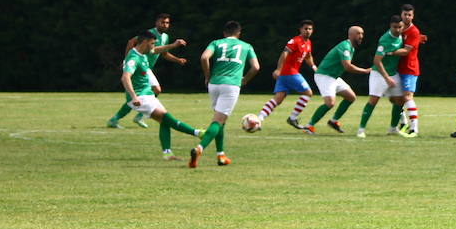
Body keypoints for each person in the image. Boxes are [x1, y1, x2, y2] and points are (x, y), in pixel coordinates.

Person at [121, 31, 201, 159]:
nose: (153, 47)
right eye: (152, 44)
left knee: (164, 122)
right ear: (145, 42)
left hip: (147, 94)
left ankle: (167, 153)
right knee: (166, 117)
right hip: (140, 97)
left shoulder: (142, 52)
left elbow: (157, 50)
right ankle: (198, 133)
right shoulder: (133, 58)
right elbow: (125, 77)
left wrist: (173, 45)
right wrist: (134, 96)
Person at [192, 20, 260, 167]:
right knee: (218, 121)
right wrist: (245, 80)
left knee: (220, 120)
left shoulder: (216, 43)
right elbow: (256, 67)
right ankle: (199, 148)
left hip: (214, 84)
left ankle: (220, 155)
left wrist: (207, 76)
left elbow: (204, 57)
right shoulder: (246, 46)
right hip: (231, 85)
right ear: (239, 33)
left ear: (224, 33)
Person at [107, 13, 187, 129]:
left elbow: (161, 53)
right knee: (155, 89)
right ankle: (136, 116)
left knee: (141, 95)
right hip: (140, 66)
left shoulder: (165, 37)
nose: (165, 25)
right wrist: (126, 61)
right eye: (162, 22)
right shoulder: (149, 34)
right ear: (156, 22)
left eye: (167, 22)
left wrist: (177, 60)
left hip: (146, 68)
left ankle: (119, 118)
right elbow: (131, 42)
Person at [253, 20, 317, 133]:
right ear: (300, 29)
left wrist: (313, 66)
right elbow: (285, 53)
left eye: (310, 29)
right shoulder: (295, 41)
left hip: (286, 74)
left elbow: (308, 56)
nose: (308, 31)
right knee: (308, 92)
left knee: (278, 99)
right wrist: (278, 69)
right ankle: (292, 118)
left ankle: (258, 120)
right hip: (289, 72)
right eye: (305, 28)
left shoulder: (308, 43)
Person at [306, 25, 372, 133]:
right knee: (330, 103)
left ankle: (333, 121)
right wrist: (364, 71)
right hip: (324, 75)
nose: (361, 36)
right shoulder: (345, 46)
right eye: (358, 34)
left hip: (333, 77)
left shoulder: (351, 47)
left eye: (362, 34)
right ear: (350, 35)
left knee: (351, 97)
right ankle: (309, 126)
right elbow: (348, 66)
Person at [358, 14, 407, 138]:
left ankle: (393, 128)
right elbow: (377, 61)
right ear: (390, 26)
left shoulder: (402, 35)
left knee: (400, 100)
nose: (397, 30)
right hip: (379, 74)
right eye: (395, 27)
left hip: (392, 73)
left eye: (399, 27)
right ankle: (361, 129)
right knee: (373, 101)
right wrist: (386, 78)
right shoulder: (384, 40)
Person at [394, 3, 428, 138]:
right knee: (395, 98)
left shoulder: (414, 31)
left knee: (407, 96)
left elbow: (406, 51)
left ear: (413, 16)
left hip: (409, 69)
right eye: (405, 14)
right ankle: (403, 122)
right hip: (397, 68)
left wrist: (389, 53)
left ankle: (414, 128)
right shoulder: (397, 28)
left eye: (410, 15)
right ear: (401, 15)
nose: (407, 17)